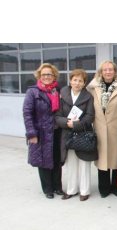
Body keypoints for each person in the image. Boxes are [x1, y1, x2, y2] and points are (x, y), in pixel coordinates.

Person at [86, 60, 117, 198]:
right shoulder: (93, 88)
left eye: (110, 69)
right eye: (105, 69)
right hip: (99, 129)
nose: (108, 72)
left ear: (115, 71)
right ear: (101, 72)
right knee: (102, 160)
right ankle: (104, 188)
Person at [55, 69, 97, 201]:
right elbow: (57, 116)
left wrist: (77, 125)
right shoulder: (62, 94)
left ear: (84, 83)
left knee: (84, 163)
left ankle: (85, 191)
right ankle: (71, 190)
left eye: (81, 81)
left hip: (83, 133)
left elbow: (90, 116)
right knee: (71, 163)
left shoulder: (88, 96)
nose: (77, 83)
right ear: (70, 80)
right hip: (67, 133)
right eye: (75, 80)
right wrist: (66, 123)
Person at [23, 63, 64, 199]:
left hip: (57, 131)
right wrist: (31, 133)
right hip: (41, 133)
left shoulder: (57, 91)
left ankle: (58, 187)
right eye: (44, 74)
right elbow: (27, 113)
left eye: (49, 74)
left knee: (57, 160)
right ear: (39, 76)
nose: (47, 76)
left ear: (54, 76)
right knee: (44, 161)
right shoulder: (33, 92)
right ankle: (48, 189)